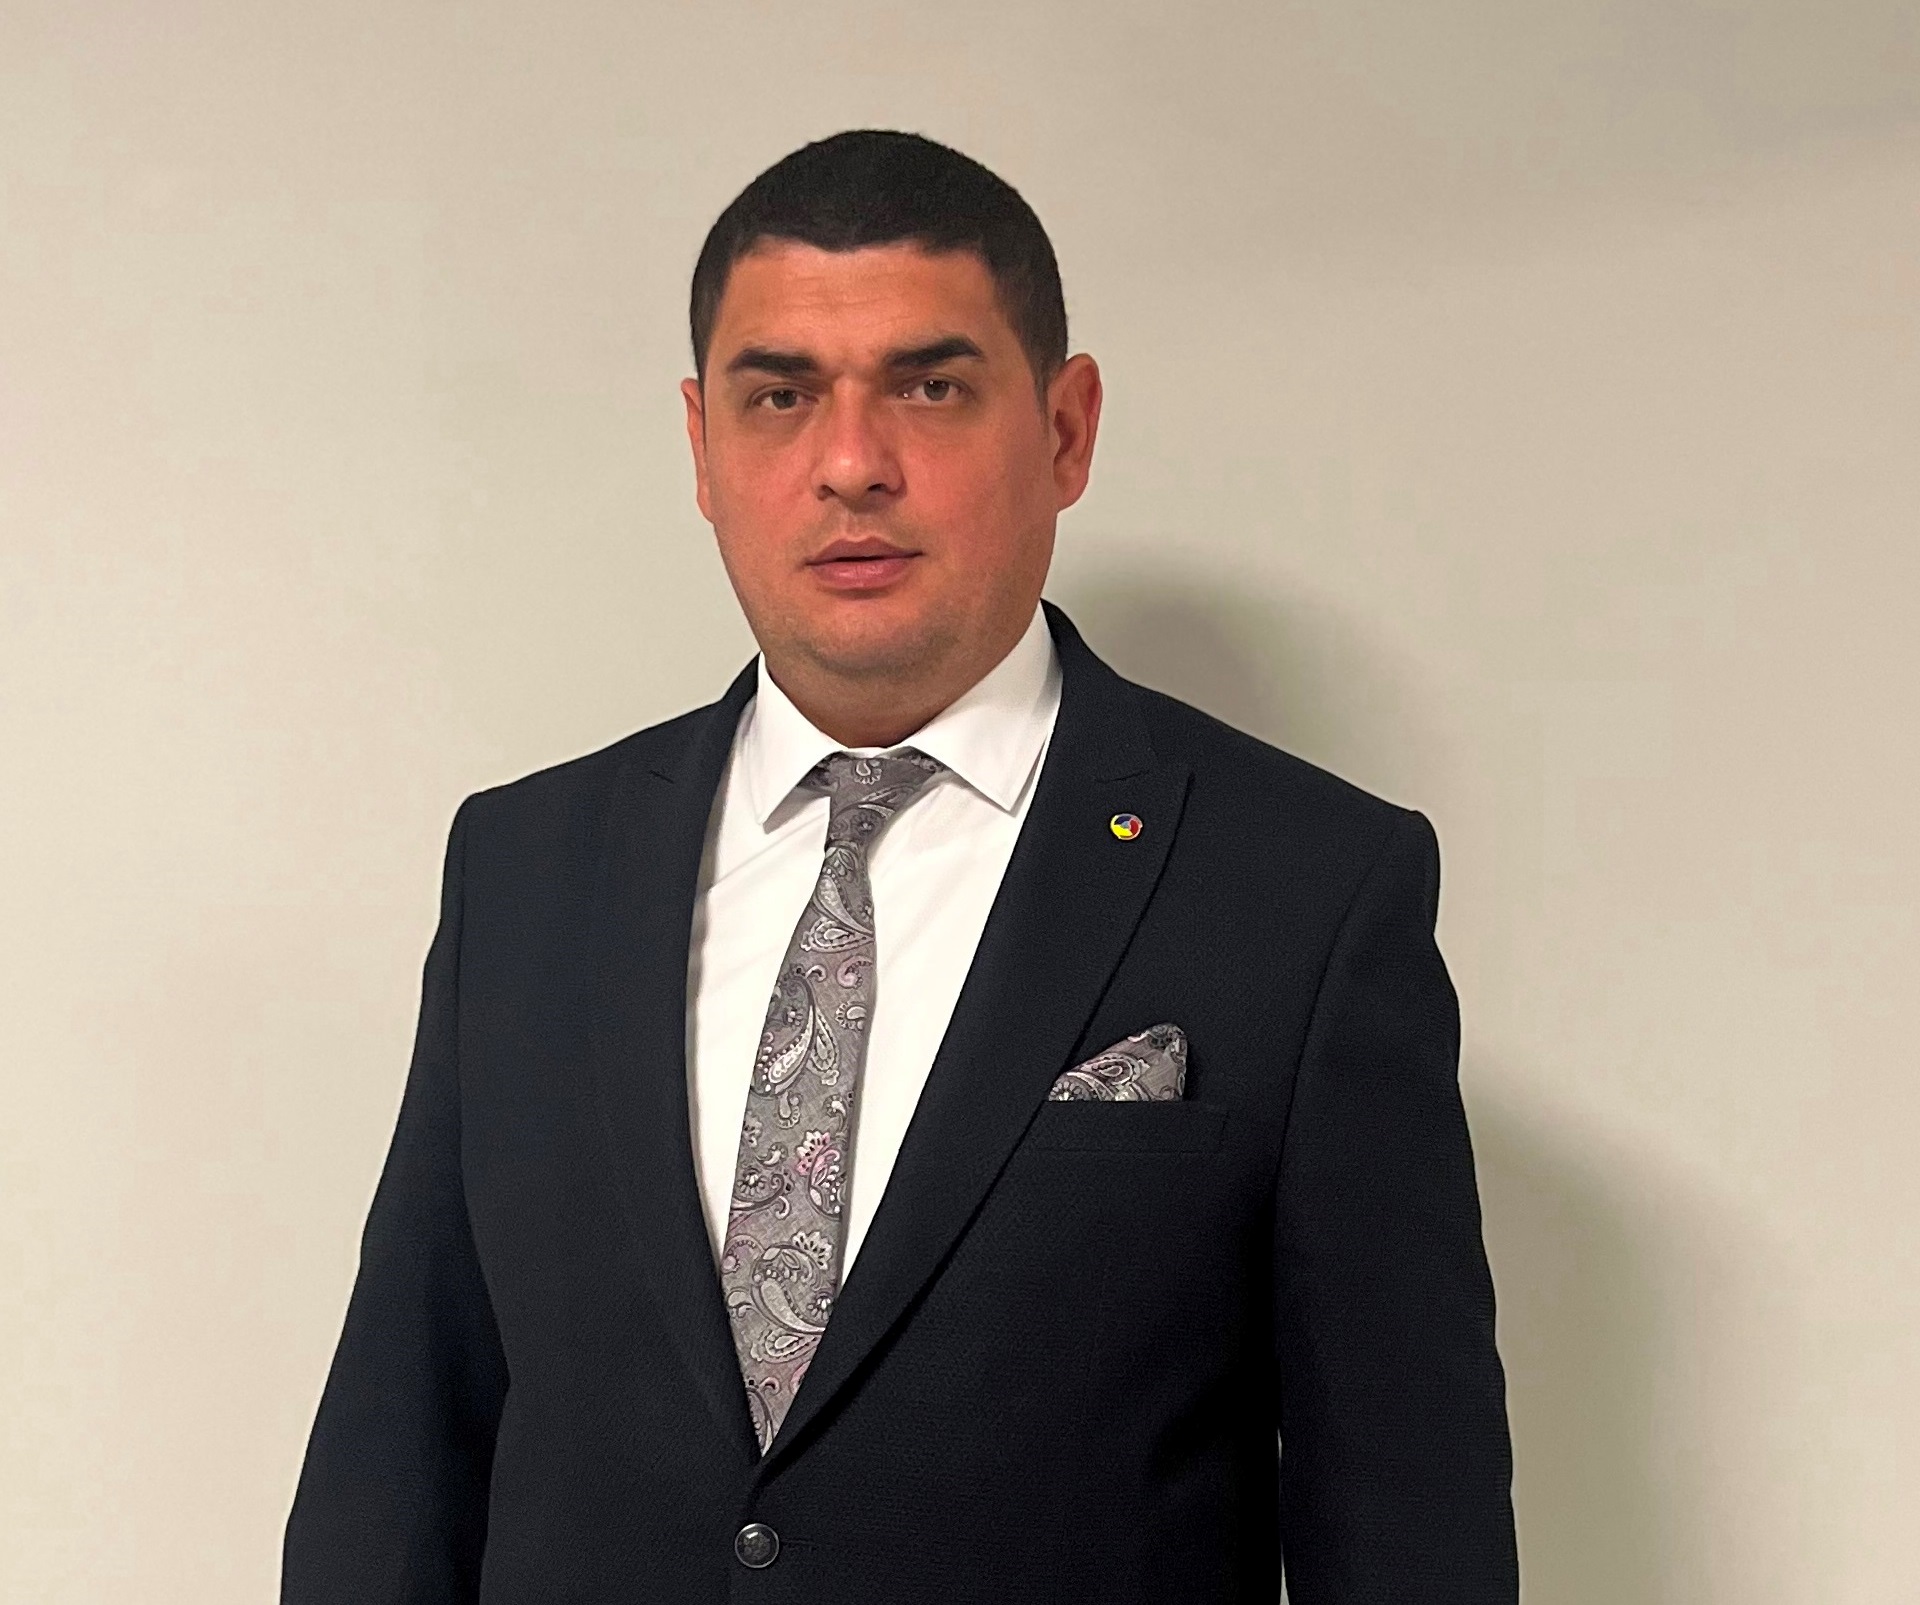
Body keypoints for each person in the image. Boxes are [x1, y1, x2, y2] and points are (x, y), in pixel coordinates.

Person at [282, 128, 1517, 1604]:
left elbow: (1408, 1524)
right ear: (701, 447)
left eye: (930, 387)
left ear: (1066, 429)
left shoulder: (1308, 889)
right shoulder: (526, 870)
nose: (852, 463)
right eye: (780, 395)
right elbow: (398, 1454)